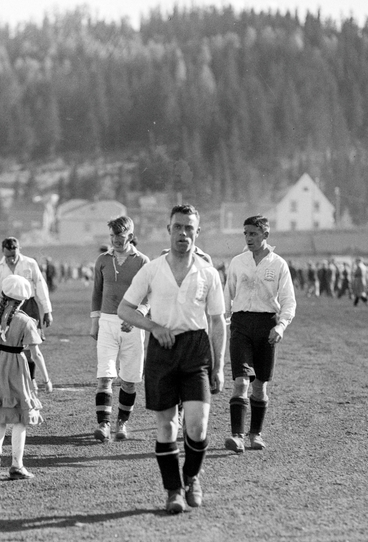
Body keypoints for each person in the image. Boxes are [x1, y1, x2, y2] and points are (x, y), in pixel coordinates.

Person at [117, 204, 226, 515]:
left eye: (189, 228)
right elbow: (126, 309)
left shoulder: (208, 273)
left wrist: (219, 366)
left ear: (197, 232)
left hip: (195, 349)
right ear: (168, 230)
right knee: (166, 427)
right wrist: (153, 326)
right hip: (162, 352)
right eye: (178, 227)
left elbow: (217, 321)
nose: (183, 233)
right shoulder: (152, 270)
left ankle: (192, 478)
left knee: (198, 425)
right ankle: (173, 490)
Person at [222, 215, 296, 453]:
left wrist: (281, 326)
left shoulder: (278, 265)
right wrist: (224, 320)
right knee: (241, 381)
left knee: (260, 386)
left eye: (253, 233)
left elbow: (288, 301)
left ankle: (256, 434)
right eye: (245, 233)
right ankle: (237, 436)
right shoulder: (238, 262)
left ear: (265, 235)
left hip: (267, 326)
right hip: (241, 324)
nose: (248, 238)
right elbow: (227, 295)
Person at [0, 274, 48, 479]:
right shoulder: (26, 322)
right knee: (21, 416)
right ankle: (17, 464)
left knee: (0, 411)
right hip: (15, 366)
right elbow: (35, 354)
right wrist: (46, 378)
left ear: (3, 294)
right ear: (24, 300)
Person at [89, 216, 150, 441]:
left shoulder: (143, 261)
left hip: (132, 324)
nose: (115, 240)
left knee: (129, 380)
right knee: (104, 376)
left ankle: (122, 422)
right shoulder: (102, 261)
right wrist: (95, 320)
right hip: (107, 322)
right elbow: (96, 292)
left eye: (120, 236)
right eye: (113, 236)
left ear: (131, 237)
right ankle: (104, 425)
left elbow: (150, 294)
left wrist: (138, 314)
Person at [0, 237, 53, 389]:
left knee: (31, 345)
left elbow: (41, 286)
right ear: (3, 252)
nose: (12, 258)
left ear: (19, 249)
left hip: (29, 305)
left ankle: (32, 378)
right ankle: (11, 379)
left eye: (14, 254)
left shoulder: (30, 263)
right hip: (7, 307)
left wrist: (47, 310)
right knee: (10, 343)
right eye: (8, 255)